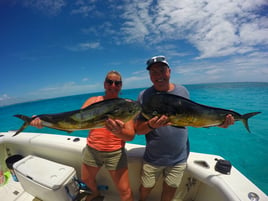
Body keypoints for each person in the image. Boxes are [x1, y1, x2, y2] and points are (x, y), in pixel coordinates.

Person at [134, 56, 235, 201]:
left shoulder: (182, 91)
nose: (158, 75)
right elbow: (137, 129)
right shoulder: (144, 96)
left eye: (162, 70)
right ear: (150, 76)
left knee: (170, 191)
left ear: (169, 71)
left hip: (178, 158)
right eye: (154, 72)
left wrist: (219, 122)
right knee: (145, 188)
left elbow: (195, 118)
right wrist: (150, 125)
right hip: (153, 157)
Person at [31, 71, 134, 201]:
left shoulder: (126, 105)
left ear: (121, 86)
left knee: (125, 191)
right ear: (104, 84)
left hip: (115, 153)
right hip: (92, 150)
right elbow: (74, 123)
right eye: (110, 82)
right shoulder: (92, 101)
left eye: (117, 83)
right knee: (86, 179)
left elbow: (130, 136)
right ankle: (95, 193)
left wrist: (118, 131)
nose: (113, 85)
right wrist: (43, 121)